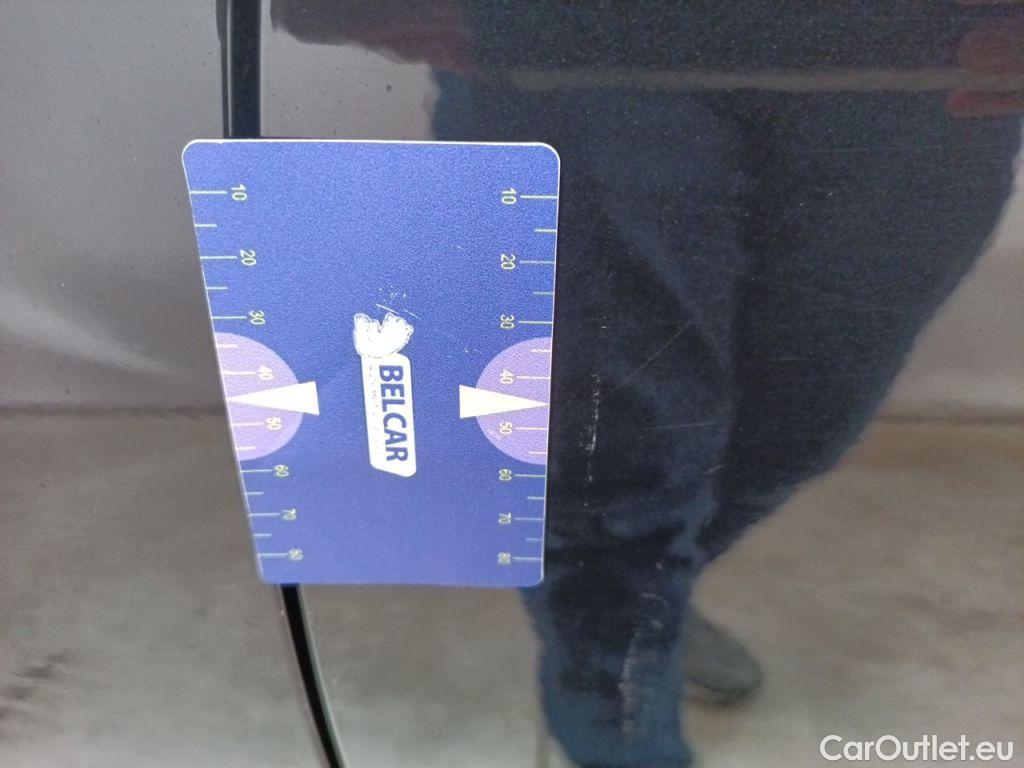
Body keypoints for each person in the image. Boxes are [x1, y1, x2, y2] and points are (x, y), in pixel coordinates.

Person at [274, 3, 1023, 765]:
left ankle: (649, 596)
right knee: (616, 477)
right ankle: (618, 690)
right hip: (570, 44)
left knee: (802, 431)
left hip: (929, 55)